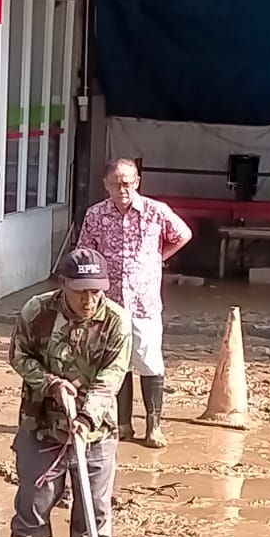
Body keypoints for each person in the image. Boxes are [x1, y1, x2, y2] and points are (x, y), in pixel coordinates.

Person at [0, 248, 132, 537]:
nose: (89, 299)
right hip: (41, 427)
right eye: (81, 291)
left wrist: (87, 419)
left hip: (95, 433)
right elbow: (19, 356)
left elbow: (110, 380)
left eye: (96, 291)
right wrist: (51, 383)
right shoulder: (36, 312)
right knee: (32, 506)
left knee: (93, 513)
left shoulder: (117, 322)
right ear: (64, 285)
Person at [76, 157, 192, 449]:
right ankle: (123, 424)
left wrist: (158, 258)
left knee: (150, 361)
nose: (122, 188)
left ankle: (154, 427)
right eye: (115, 183)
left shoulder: (156, 212)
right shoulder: (96, 215)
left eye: (127, 182)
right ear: (106, 185)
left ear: (137, 182)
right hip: (109, 303)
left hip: (144, 301)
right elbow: (85, 253)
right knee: (117, 363)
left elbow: (183, 235)